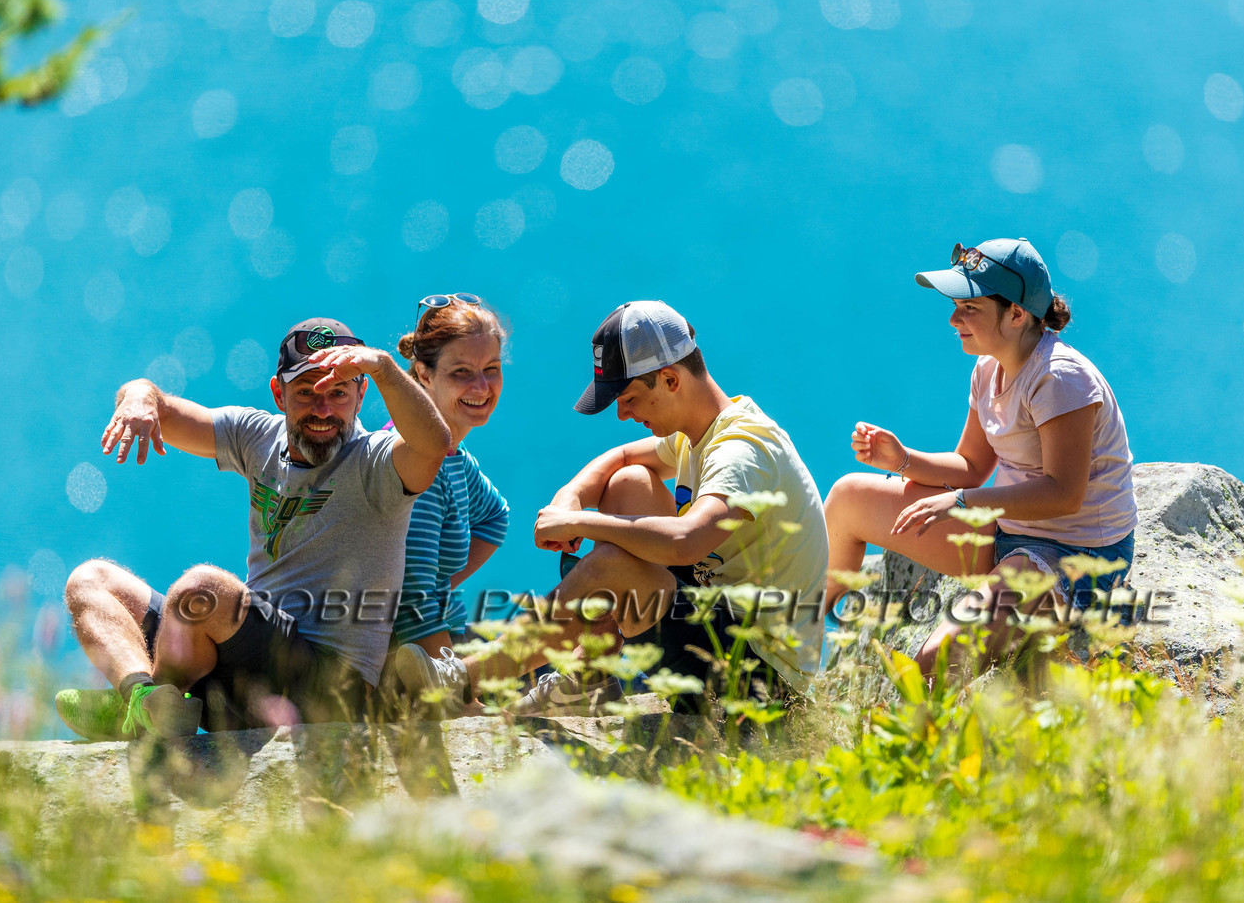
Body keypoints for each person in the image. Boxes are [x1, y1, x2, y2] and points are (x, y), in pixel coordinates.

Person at [53, 319, 451, 739]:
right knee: (90, 580)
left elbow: (432, 444)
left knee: (200, 591)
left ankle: (153, 715)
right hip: (242, 674)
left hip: (330, 688)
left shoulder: (377, 463)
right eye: (306, 393)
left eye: (338, 393)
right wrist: (137, 396)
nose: (323, 409)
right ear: (279, 394)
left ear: (360, 395)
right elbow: (163, 409)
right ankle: (143, 700)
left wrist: (385, 369)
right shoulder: (258, 436)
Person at [459, 300, 830, 717]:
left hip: (762, 684)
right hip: (716, 632)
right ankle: (587, 675)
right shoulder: (702, 430)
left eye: (630, 397)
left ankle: (467, 679)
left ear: (670, 379)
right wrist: (570, 497)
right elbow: (618, 459)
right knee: (630, 481)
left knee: (611, 563)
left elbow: (689, 542)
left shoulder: (741, 451)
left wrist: (584, 522)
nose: (622, 413)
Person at [822, 238, 1137, 678]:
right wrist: (902, 458)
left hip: (1075, 557)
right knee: (847, 498)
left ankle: (924, 740)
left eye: (969, 308)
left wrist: (961, 503)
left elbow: (1064, 494)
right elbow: (971, 465)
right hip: (1008, 532)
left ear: (1016, 313)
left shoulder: (1060, 377)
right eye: (955, 305)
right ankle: (798, 642)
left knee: (936, 661)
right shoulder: (989, 367)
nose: (953, 319)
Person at [378, 294, 511, 720]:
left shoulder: (454, 458)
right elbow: (412, 599)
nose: (481, 387)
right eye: (461, 373)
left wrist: (442, 581)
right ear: (423, 374)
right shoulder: (416, 463)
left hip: (438, 638)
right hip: (401, 661)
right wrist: (463, 701)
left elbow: (495, 516)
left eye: (491, 370)